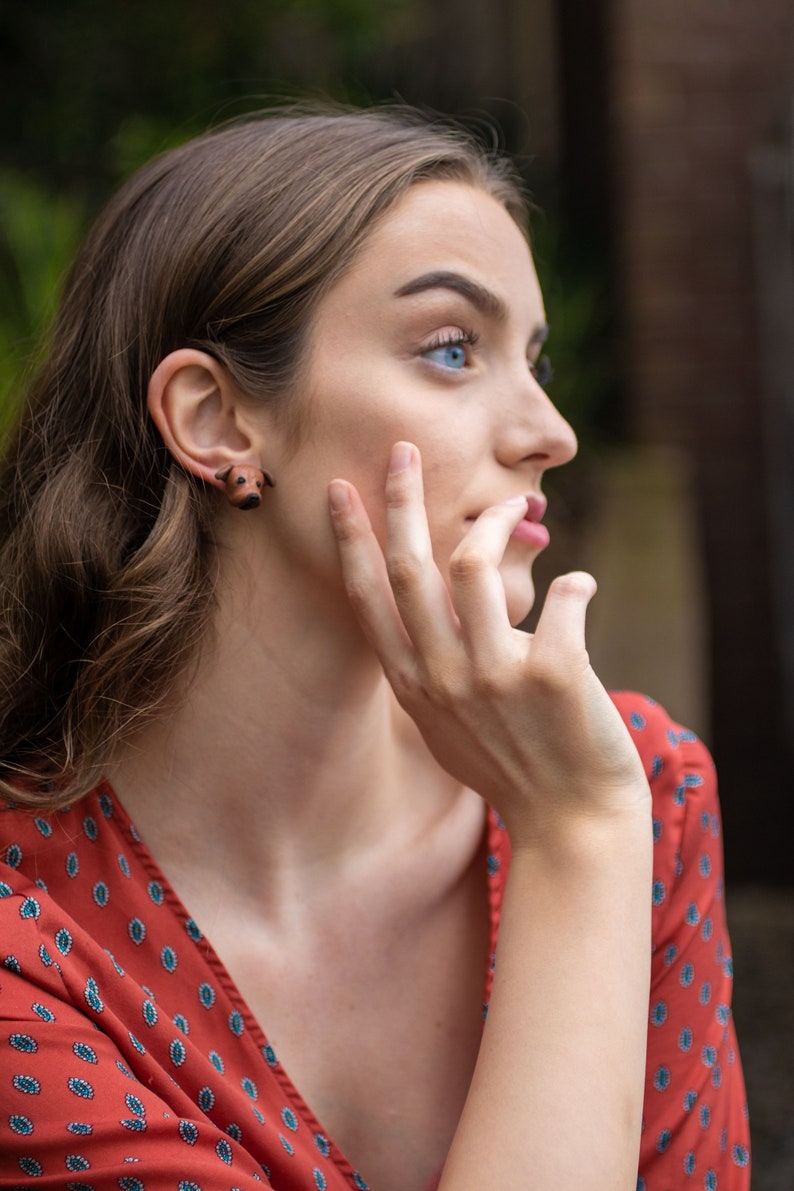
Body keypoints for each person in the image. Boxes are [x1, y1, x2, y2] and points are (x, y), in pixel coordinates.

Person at [0, 107, 749, 1191]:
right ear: (214, 420)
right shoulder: (31, 941)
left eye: (530, 360)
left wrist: (582, 832)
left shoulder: (634, 784)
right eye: (452, 350)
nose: (549, 432)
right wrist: (575, 842)